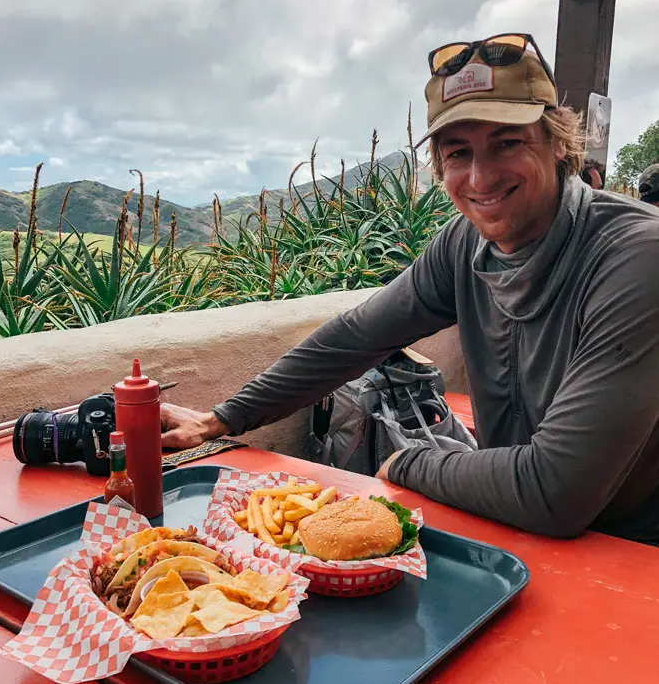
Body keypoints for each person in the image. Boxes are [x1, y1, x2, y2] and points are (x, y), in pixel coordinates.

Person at [162, 33, 659, 544]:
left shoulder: (636, 256)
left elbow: (555, 490)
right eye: (458, 152)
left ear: (557, 141)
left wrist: (407, 462)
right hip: (525, 535)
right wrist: (220, 419)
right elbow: (356, 337)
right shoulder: (464, 246)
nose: (479, 176)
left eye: (507, 143)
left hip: (634, 556)